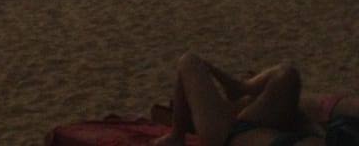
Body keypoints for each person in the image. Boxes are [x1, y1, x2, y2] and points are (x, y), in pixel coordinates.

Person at [153, 54, 359, 146]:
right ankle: (239, 87)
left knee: (189, 61)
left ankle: (176, 137)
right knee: (288, 75)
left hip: (232, 137)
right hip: (262, 127)